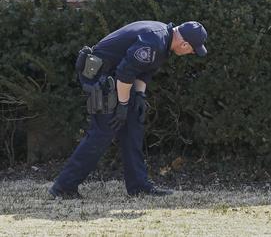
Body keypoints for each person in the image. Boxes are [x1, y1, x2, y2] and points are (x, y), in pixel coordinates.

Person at [48, 21, 208, 199]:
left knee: (133, 127)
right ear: (185, 44)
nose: (191, 53)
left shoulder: (164, 39)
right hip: (100, 76)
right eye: (192, 50)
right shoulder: (153, 41)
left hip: (116, 79)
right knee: (103, 132)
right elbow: (125, 73)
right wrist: (123, 105)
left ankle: (139, 186)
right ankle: (63, 187)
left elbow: (141, 72)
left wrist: (139, 95)